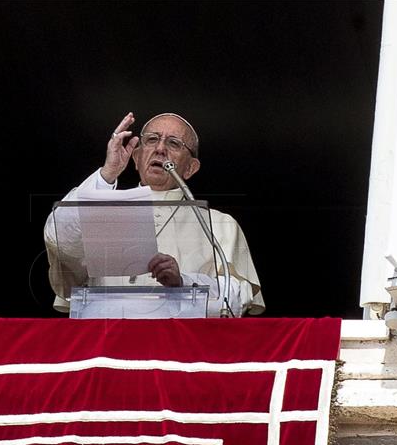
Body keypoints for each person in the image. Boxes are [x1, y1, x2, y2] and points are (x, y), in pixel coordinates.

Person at [44, 112, 265, 316]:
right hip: (107, 343)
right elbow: (59, 240)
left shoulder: (218, 223)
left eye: (174, 143)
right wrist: (107, 173)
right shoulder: (103, 211)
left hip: (180, 349)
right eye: (151, 139)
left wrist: (183, 283)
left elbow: (238, 297)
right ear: (136, 157)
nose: (160, 149)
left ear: (191, 168)